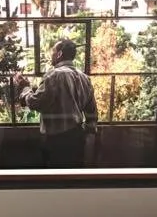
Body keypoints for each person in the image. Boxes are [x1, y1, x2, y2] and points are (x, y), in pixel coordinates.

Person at [12, 39, 98, 168]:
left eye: (53, 51)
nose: (50, 55)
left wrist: (25, 88)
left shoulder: (53, 76)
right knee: (74, 177)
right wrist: (87, 134)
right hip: (77, 137)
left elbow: (36, 103)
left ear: (59, 54)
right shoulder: (84, 78)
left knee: (55, 178)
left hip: (57, 140)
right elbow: (91, 111)